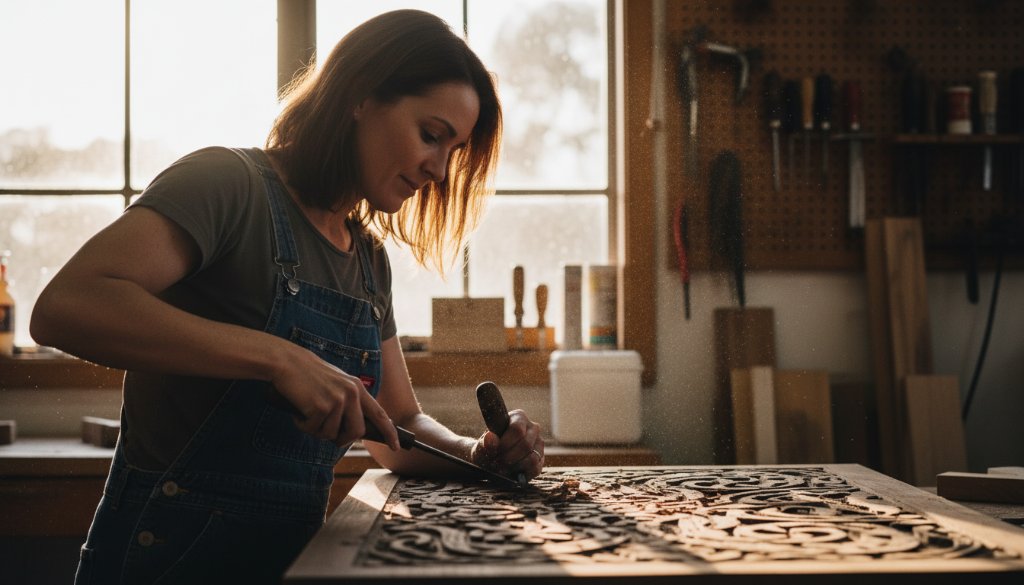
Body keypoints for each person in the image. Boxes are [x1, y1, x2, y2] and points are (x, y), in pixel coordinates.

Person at [31, 9, 545, 585]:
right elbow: (64, 308)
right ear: (360, 95)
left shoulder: (368, 261)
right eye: (431, 136)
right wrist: (279, 359)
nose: (439, 170)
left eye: (453, 151)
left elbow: (398, 426)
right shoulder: (227, 185)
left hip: (286, 566)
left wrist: (476, 454)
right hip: (163, 560)